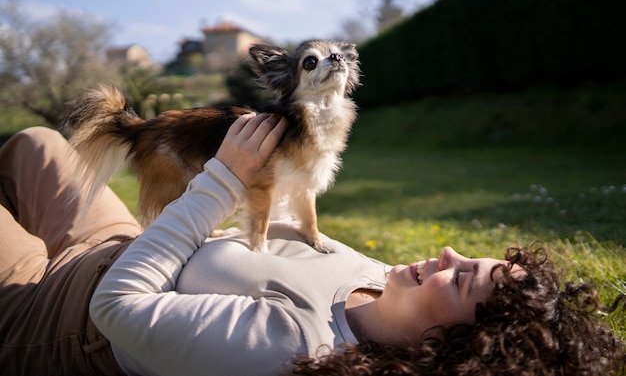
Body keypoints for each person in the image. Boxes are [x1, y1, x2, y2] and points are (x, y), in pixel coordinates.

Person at [0, 115, 623, 376]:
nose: (450, 256)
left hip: (58, 317)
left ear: (451, 348)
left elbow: (119, 310)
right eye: (468, 260)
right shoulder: (384, 279)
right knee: (36, 143)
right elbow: (280, 244)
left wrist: (223, 179)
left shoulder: (300, 346)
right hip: (126, 246)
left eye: (460, 280)